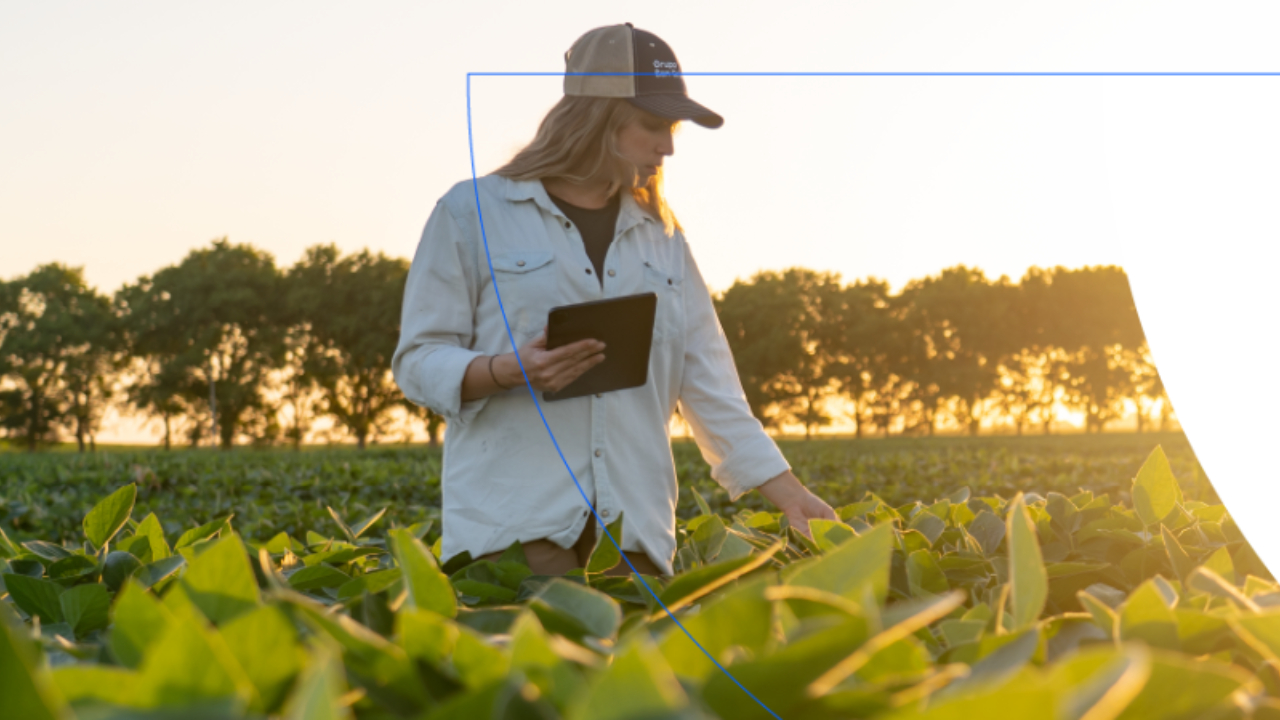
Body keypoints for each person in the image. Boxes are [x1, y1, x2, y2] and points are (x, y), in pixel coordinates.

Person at [393, 23, 836, 578]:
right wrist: (506, 370)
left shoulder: (664, 238)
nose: (668, 145)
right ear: (596, 117)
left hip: (634, 533)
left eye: (672, 128)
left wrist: (791, 496)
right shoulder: (471, 212)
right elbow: (417, 361)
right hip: (514, 528)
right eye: (652, 124)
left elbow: (710, 385)